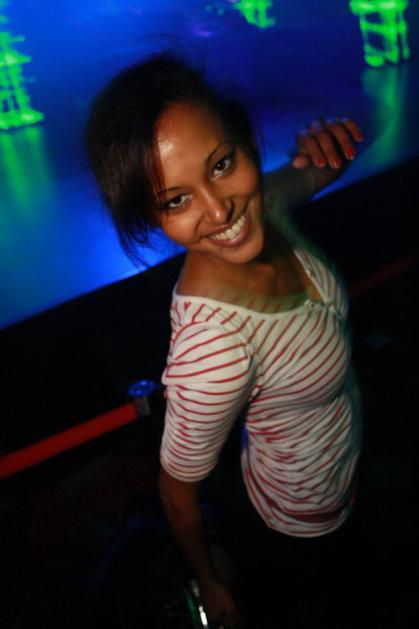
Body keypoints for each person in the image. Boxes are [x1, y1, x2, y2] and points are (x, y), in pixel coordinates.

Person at [85, 52, 364, 628]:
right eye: (176, 200)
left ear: (243, 144)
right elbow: (176, 491)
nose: (220, 210)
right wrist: (209, 582)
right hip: (298, 528)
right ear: (153, 219)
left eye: (220, 164)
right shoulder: (214, 352)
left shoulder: (265, 204)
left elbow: (315, 171)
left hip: (346, 473)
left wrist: (332, 143)